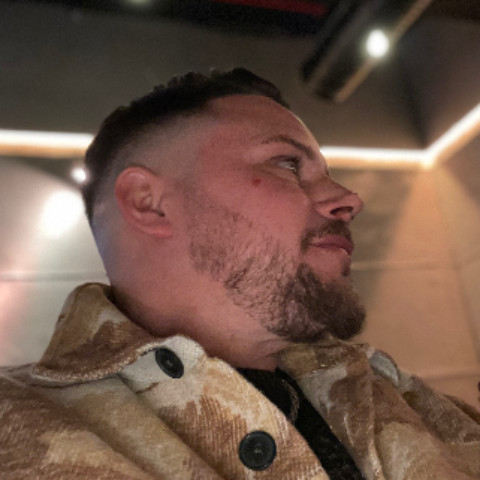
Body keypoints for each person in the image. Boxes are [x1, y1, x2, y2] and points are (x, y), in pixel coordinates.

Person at [0, 69, 479, 480]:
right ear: (150, 203)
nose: (349, 198)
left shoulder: (414, 401)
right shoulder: (14, 431)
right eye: (287, 164)